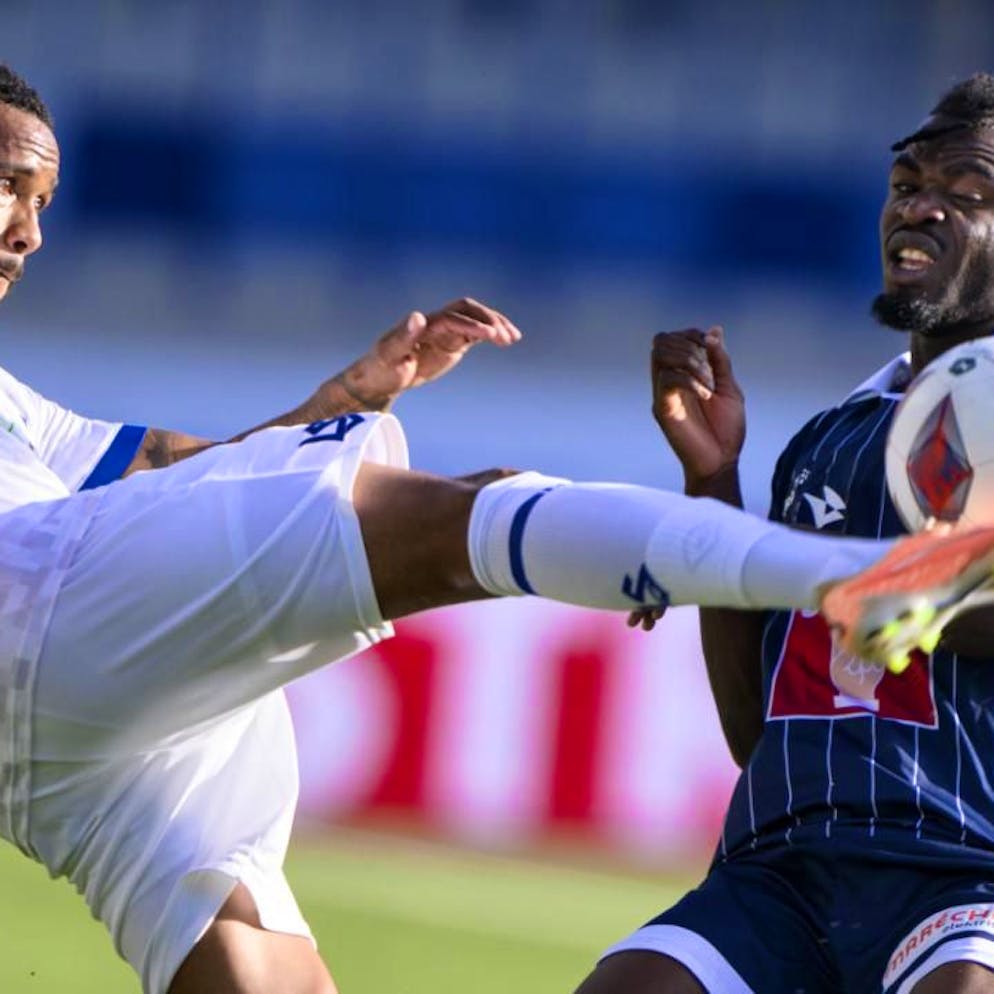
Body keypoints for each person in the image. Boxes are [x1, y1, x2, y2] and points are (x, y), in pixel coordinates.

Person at [0, 64, 903, 994]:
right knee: (463, 515)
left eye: (42, 200)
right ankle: (840, 572)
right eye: (6, 186)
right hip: (33, 607)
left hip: (60, 734)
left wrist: (342, 402)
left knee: (263, 972)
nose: (28, 231)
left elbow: (161, 479)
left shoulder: (16, 408)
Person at [574, 73, 994, 994]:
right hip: (779, 875)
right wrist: (712, 481)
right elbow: (753, 729)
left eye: (965, 193)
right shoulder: (826, 440)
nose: (918, 208)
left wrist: (891, 593)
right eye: (906, 182)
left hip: (967, 871)